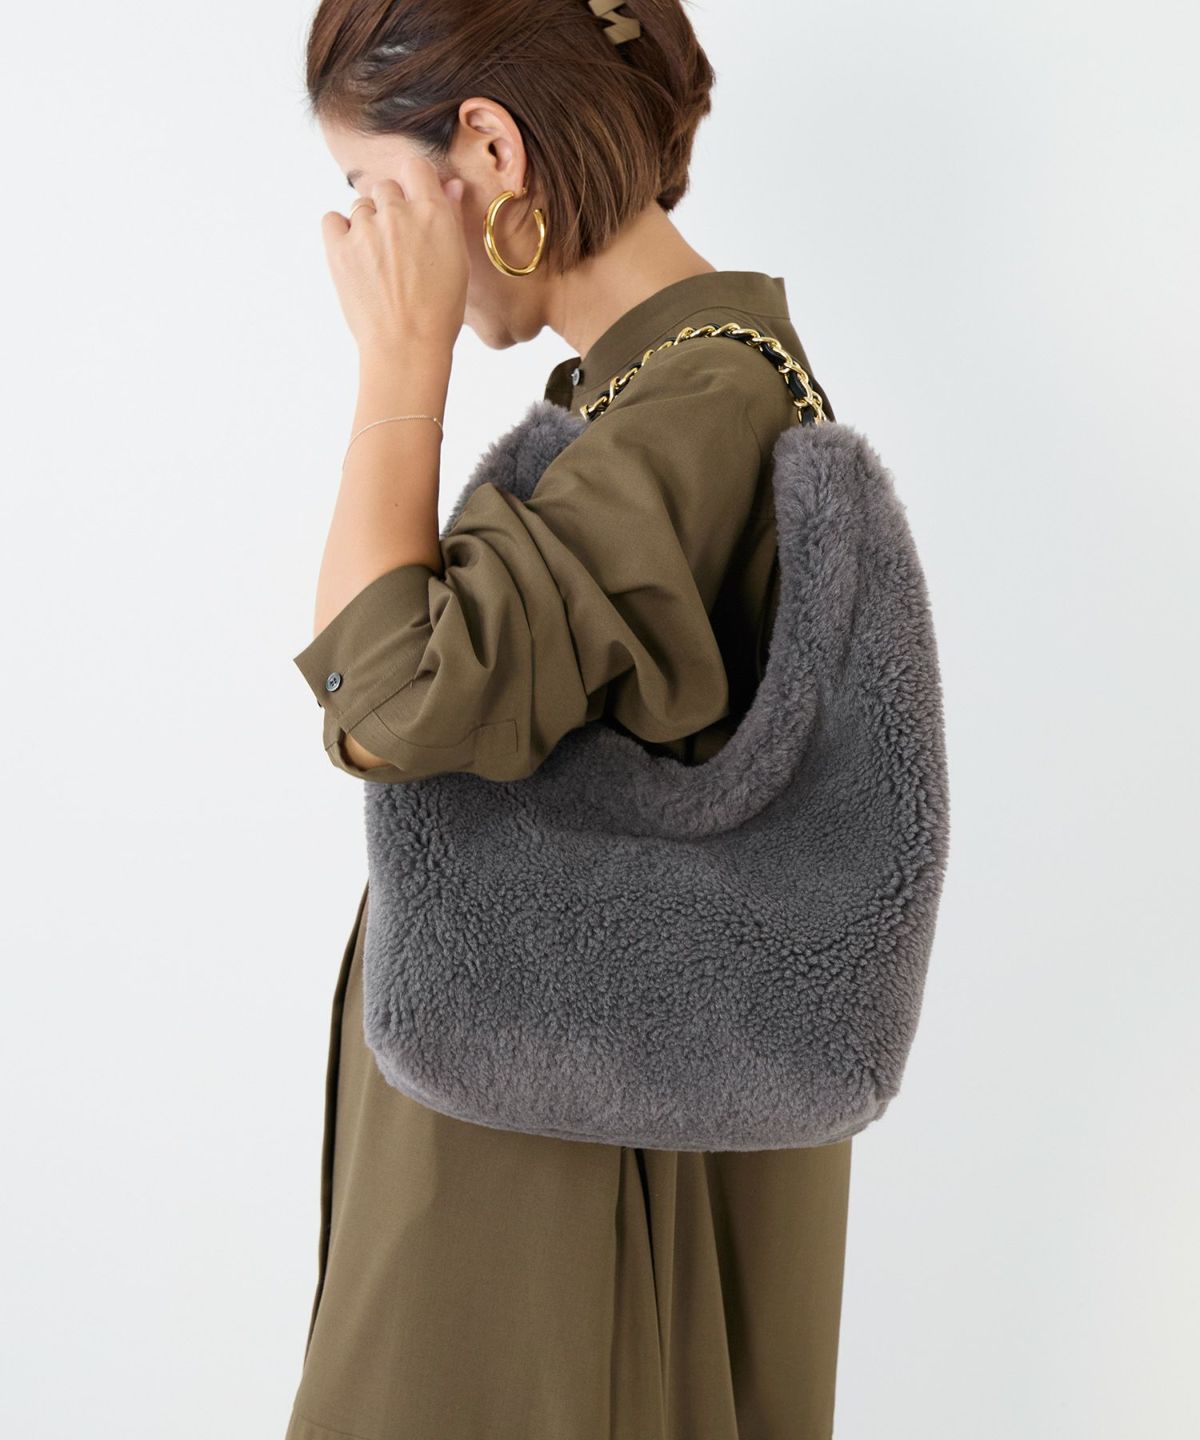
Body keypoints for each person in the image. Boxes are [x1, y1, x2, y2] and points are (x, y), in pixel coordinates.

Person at [285, 3, 853, 1437]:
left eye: (372, 191)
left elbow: (387, 699)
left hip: (546, 1195)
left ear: (488, 148)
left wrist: (398, 369)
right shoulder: (674, 393)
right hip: (560, 1136)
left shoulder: (697, 408)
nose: (357, 242)